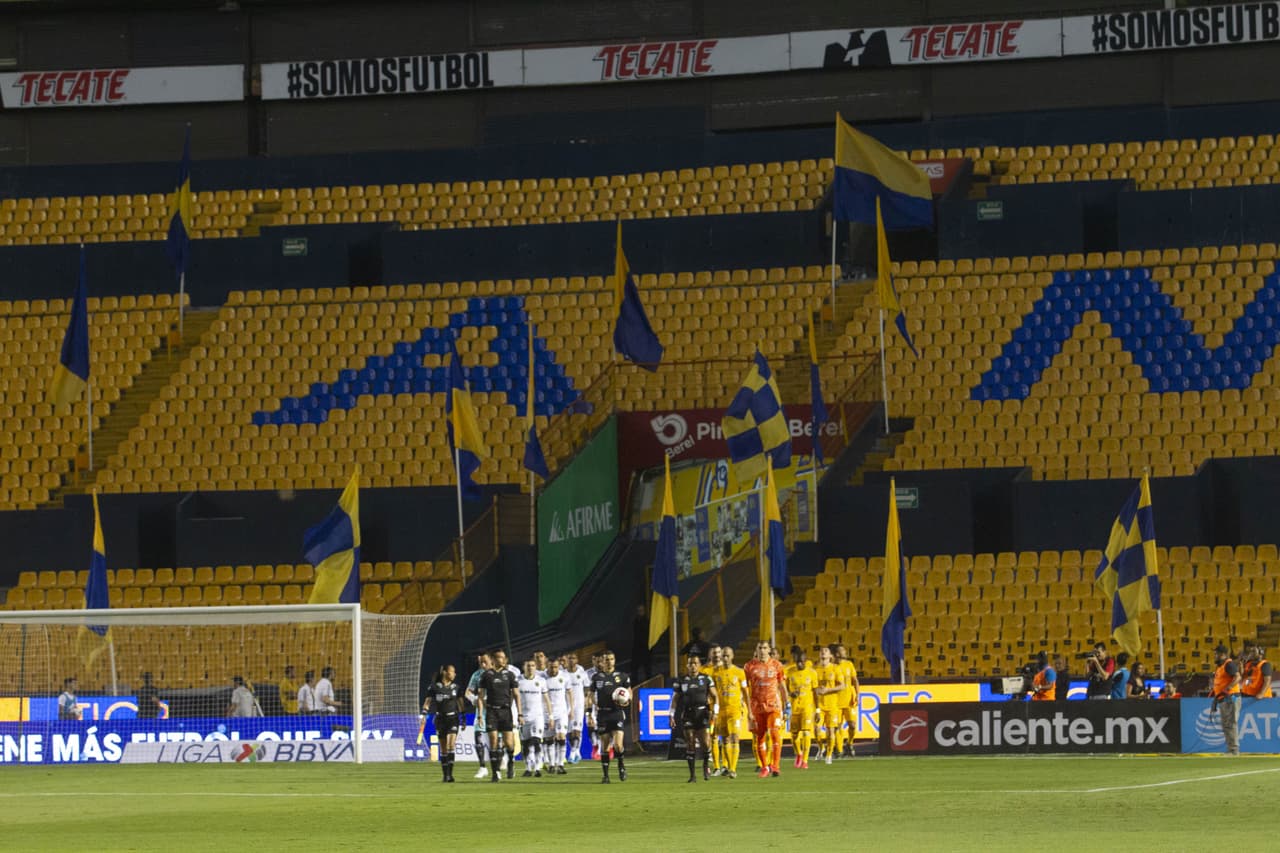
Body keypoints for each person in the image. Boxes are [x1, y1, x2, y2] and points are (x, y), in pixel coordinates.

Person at [744, 640, 788, 778]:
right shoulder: (749, 666)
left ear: (769, 650)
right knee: (760, 737)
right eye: (759, 648)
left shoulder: (777, 665)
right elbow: (745, 688)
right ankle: (764, 767)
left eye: (764, 648)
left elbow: (782, 686)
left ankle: (775, 766)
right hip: (757, 706)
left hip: (773, 705)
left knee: (775, 734)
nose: (762, 650)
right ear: (756, 650)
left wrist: (787, 705)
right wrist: (748, 709)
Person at [587, 649, 631, 783]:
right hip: (603, 714)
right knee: (605, 746)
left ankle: (621, 765)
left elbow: (629, 692)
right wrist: (590, 712)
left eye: (611, 659)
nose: (609, 662)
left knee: (618, 745)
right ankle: (605, 776)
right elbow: (589, 696)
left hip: (616, 713)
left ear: (614, 660)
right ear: (602, 661)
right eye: (606, 659)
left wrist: (627, 701)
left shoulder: (622, 676)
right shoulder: (597, 677)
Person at [672, 655, 717, 783]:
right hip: (688, 714)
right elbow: (675, 699)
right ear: (687, 665)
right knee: (690, 743)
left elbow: (715, 696)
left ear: (699, 665)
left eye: (695, 663)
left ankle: (705, 767)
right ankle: (692, 776)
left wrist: (715, 711)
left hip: (702, 713)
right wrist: (671, 714)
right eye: (690, 663)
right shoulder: (682, 680)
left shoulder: (706, 679)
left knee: (705, 743)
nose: (693, 666)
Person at [478, 650, 522, 781]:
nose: (500, 660)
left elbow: (517, 695)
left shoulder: (510, 675)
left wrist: (520, 714)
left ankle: (510, 762)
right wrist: (480, 715)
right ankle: (495, 772)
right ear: (493, 659)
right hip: (491, 711)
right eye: (497, 658)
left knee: (509, 743)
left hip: (506, 712)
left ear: (505, 660)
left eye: (502, 658)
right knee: (493, 741)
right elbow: (480, 697)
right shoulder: (487, 675)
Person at [424, 664, 464, 783]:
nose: (454, 674)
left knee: (451, 745)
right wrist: (424, 714)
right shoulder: (434, 687)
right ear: (445, 672)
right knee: (444, 749)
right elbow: (427, 702)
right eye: (452, 671)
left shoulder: (456, 687)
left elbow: (460, 704)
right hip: (440, 720)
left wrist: (463, 718)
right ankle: (445, 775)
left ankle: (450, 774)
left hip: (453, 718)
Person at [711, 647, 746, 778]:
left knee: (734, 737)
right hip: (721, 711)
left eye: (727, 656)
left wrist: (749, 709)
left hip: (734, 710)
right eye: (723, 656)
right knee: (724, 739)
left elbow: (745, 692)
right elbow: (712, 693)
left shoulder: (739, 672)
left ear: (732, 656)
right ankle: (728, 767)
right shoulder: (715, 673)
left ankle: (733, 768)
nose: (725, 658)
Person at [785, 646, 818, 769]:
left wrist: (818, 710)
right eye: (798, 661)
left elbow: (815, 692)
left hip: (807, 708)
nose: (800, 664)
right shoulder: (790, 672)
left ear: (806, 661)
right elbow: (786, 688)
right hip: (794, 707)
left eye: (802, 661)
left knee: (805, 733)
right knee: (794, 735)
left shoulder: (812, 673)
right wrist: (791, 694)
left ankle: (805, 760)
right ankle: (798, 753)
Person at [517, 659, 551, 777]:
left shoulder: (541, 681)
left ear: (535, 667)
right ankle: (528, 768)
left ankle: (537, 768)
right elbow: (514, 699)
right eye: (528, 665)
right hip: (523, 717)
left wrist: (550, 716)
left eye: (532, 665)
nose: (530, 668)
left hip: (538, 717)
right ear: (524, 667)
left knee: (536, 741)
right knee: (525, 744)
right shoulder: (518, 681)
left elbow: (546, 700)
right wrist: (517, 714)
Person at [814, 646, 845, 764]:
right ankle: (821, 747)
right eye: (821, 651)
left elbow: (842, 686)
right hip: (818, 706)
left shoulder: (835, 669)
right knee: (816, 730)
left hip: (832, 705)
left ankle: (829, 754)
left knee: (830, 731)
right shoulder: (815, 670)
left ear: (830, 656)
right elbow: (813, 686)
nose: (823, 652)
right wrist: (816, 690)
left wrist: (828, 690)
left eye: (826, 651)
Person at [465, 653, 493, 779]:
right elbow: (468, 692)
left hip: (495, 710)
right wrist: (474, 699)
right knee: (478, 737)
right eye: (480, 662)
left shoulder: (498, 674)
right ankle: (482, 767)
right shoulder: (476, 675)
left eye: (485, 661)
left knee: (498, 741)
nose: (482, 664)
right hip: (481, 710)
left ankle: (503, 762)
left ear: (491, 660)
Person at [1211, 643, 1242, 755]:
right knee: (1226, 725)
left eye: (1216, 654)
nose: (1214, 656)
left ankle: (1234, 750)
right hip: (1223, 699)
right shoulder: (1221, 666)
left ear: (1222, 654)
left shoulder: (1229, 664)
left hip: (1231, 698)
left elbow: (1238, 677)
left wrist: (1227, 688)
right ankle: (1231, 749)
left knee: (1230, 724)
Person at [543, 656, 572, 774]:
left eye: (556, 667)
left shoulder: (564, 677)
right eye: (551, 667)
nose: (554, 670)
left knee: (561, 737)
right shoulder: (541, 678)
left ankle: (560, 764)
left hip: (561, 712)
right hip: (546, 713)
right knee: (549, 739)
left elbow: (569, 692)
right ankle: (551, 764)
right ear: (547, 666)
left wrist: (571, 708)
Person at [833, 644, 860, 757]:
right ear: (837, 654)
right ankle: (839, 749)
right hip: (836, 701)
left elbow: (855, 680)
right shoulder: (832, 667)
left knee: (852, 725)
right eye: (842, 650)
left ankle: (849, 743)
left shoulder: (849, 665)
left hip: (849, 700)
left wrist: (857, 694)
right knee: (837, 726)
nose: (845, 652)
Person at [563, 652, 588, 765]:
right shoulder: (562, 675)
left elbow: (587, 690)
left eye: (573, 658)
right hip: (565, 706)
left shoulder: (582, 674)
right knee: (568, 732)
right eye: (569, 658)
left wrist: (587, 703)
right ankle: (577, 752)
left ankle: (572, 753)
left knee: (577, 730)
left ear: (577, 660)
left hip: (578, 706)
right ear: (566, 661)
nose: (571, 660)